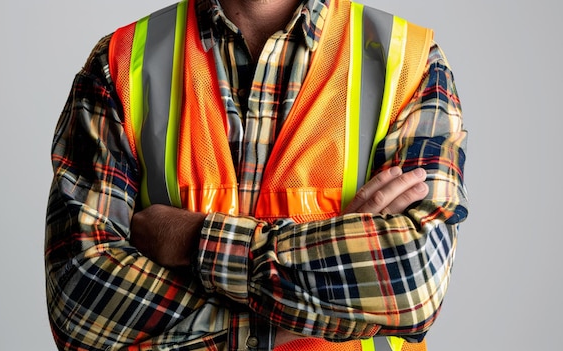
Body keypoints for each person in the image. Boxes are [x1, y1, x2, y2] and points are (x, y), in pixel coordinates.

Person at [45, 0, 468, 350]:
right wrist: (323, 298)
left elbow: (413, 284)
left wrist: (194, 241)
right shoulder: (121, 63)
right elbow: (79, 303)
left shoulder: (408, 64)